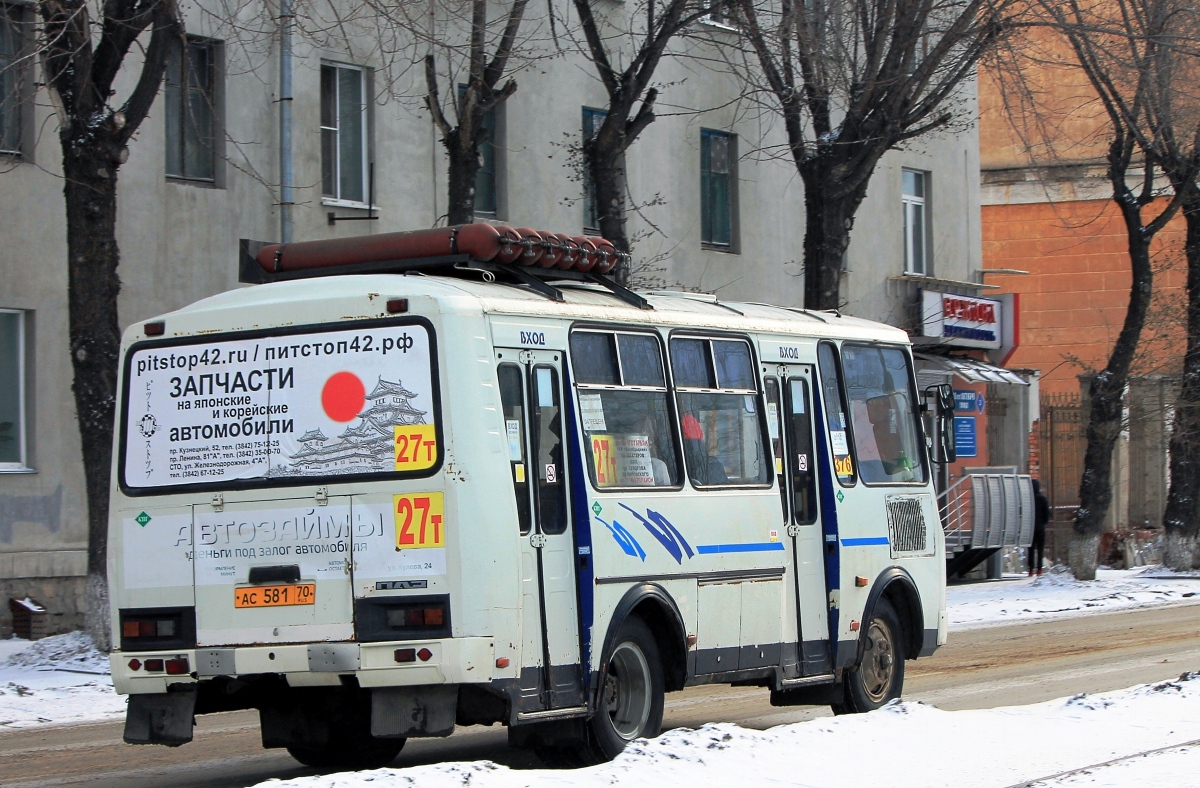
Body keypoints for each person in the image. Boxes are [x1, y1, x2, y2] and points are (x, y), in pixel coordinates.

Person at [1030, 478, 1049, 577]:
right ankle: (1039, 569)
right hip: (1040, 527)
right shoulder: (1043, 499)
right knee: (1040, 549)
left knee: (1031, 549)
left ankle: (1030, 570)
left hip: (1030, 527)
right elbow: (1047, 513)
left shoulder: (1028, 498)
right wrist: (1044, 523)